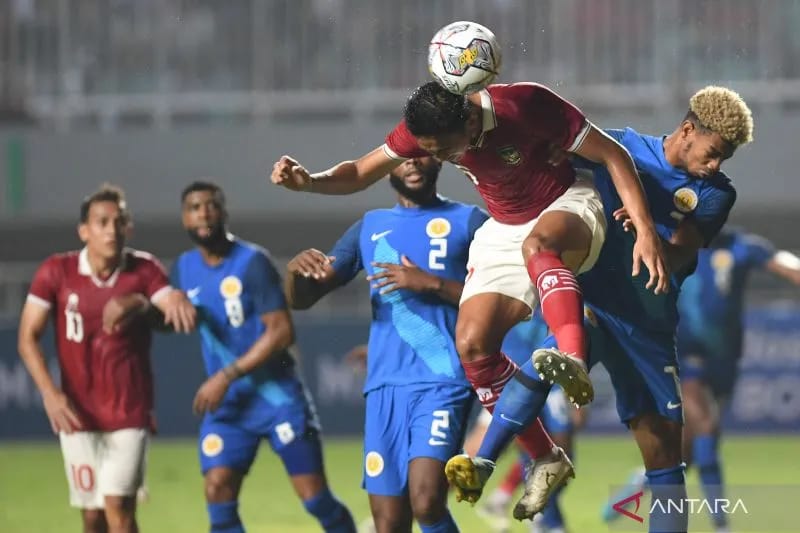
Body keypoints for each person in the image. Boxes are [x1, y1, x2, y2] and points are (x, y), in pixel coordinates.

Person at [272, 79, 669, 507]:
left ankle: (572, 356)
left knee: (540, 245)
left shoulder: (523, 103)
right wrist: (309, 181)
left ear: (468, 121)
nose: (436, 157)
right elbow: (359, 173)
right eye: (428, 148)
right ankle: (546, 458)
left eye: (442, 148)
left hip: (566, 202)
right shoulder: (424, 129)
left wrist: (645, 230)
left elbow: (612, 152)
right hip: (505, 226)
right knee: (474, 346)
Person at [453, 86, 752, 531]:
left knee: (665, 456)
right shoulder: (619, 147)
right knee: (545, 364)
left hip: (647, 326)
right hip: (592, 304)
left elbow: (680, 257)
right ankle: (482, 461)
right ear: (688, 130)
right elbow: (549, 163)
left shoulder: (714, 194)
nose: (716, 166)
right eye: (713, 153)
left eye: (724, 158)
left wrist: (647, 236)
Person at [285, 156, 484, 533]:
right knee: (389, 522)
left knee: (426, 502)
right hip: (384, 388)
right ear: (388, 167)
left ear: (438, 159)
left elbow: (502, 294)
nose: (414, 164)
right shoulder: (370, 227)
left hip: (443, 382)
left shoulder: (470, 221)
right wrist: (295, 274)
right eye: (404, 157)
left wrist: (433, 283)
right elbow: (304, 298)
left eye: (423, 153)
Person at [172, 181, 356, 533]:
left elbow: (282, 331)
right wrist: (165, 301)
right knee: (217, 489)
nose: (204, 212)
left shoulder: (252, 261)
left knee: (315, 498)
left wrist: (225, 376)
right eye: (195, 207)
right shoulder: (183, 267)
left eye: (212, 205)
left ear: (224, 212)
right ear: (184, 218)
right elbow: (169, 319)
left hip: (277, 400)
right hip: (230, 408)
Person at [18, 184, 196, 533]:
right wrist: (50, 394)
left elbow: (168, 314)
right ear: (84, 230)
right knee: (92, 515)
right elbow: (27, 337)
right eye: (102, 222)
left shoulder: (144, 270)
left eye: (119, 221)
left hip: (129, 409)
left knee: (118, 508)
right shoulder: (57, 272)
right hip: (77, 413)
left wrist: (145, 303)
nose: (112, 230)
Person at [605, 227, 800, 532]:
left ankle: (643, 478)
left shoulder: (742, 247)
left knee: (691, 451)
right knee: (707, 428)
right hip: (683, 353)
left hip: (724, 361)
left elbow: (782, 262)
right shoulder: (672, 246)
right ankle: (721, 525)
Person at [468, 311, 578, 533]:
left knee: (563, 453)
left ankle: (514, 502)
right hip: (509, 379)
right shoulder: (504, 288)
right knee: (477, 454)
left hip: (551, 375)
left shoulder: (553, 287)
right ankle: (547, 521)